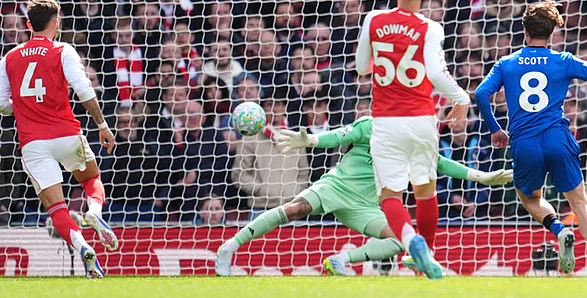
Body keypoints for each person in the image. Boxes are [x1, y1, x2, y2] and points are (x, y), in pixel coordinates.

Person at [215, 116, 512, 275]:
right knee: (294, 209)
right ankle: (230, 246)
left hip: (365, 206)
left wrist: (483, 177)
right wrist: (312, 139)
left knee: (401, 240)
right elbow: (338, 136)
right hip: (336, 187)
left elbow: (444, 165)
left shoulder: (415, 145)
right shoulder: (371, 126)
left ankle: (341, 260)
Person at [474, 0, 587, 277]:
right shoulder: (563, 60)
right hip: (557, 137)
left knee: (530, 199)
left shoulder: (506, 63)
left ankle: (559, 230)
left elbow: (481, 94)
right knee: (580, 201)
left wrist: (494, 128)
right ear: (552, 34)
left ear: (524, 31)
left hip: (524, 141)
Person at [354, 0, 471, 279]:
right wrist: (460, 97)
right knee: (425, 189)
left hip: (386, 120)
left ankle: (411, 242)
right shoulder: (431, 28)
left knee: (391, 195)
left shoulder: (373, 20)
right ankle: (426, 257)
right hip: (422, 119)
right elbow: (436, 72)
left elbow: (362, 68)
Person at [0, 0, 117, 279]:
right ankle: (94, 212)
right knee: (91, 180)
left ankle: (83, 246)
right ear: (56, 23)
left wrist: (27, 107)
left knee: (56, 207)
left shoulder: (8, 58)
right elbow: (83, 89)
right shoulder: (63, 50)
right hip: (66, 134)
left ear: (29, 24)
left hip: (33, 143)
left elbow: (3, 105)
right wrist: (102, 124)